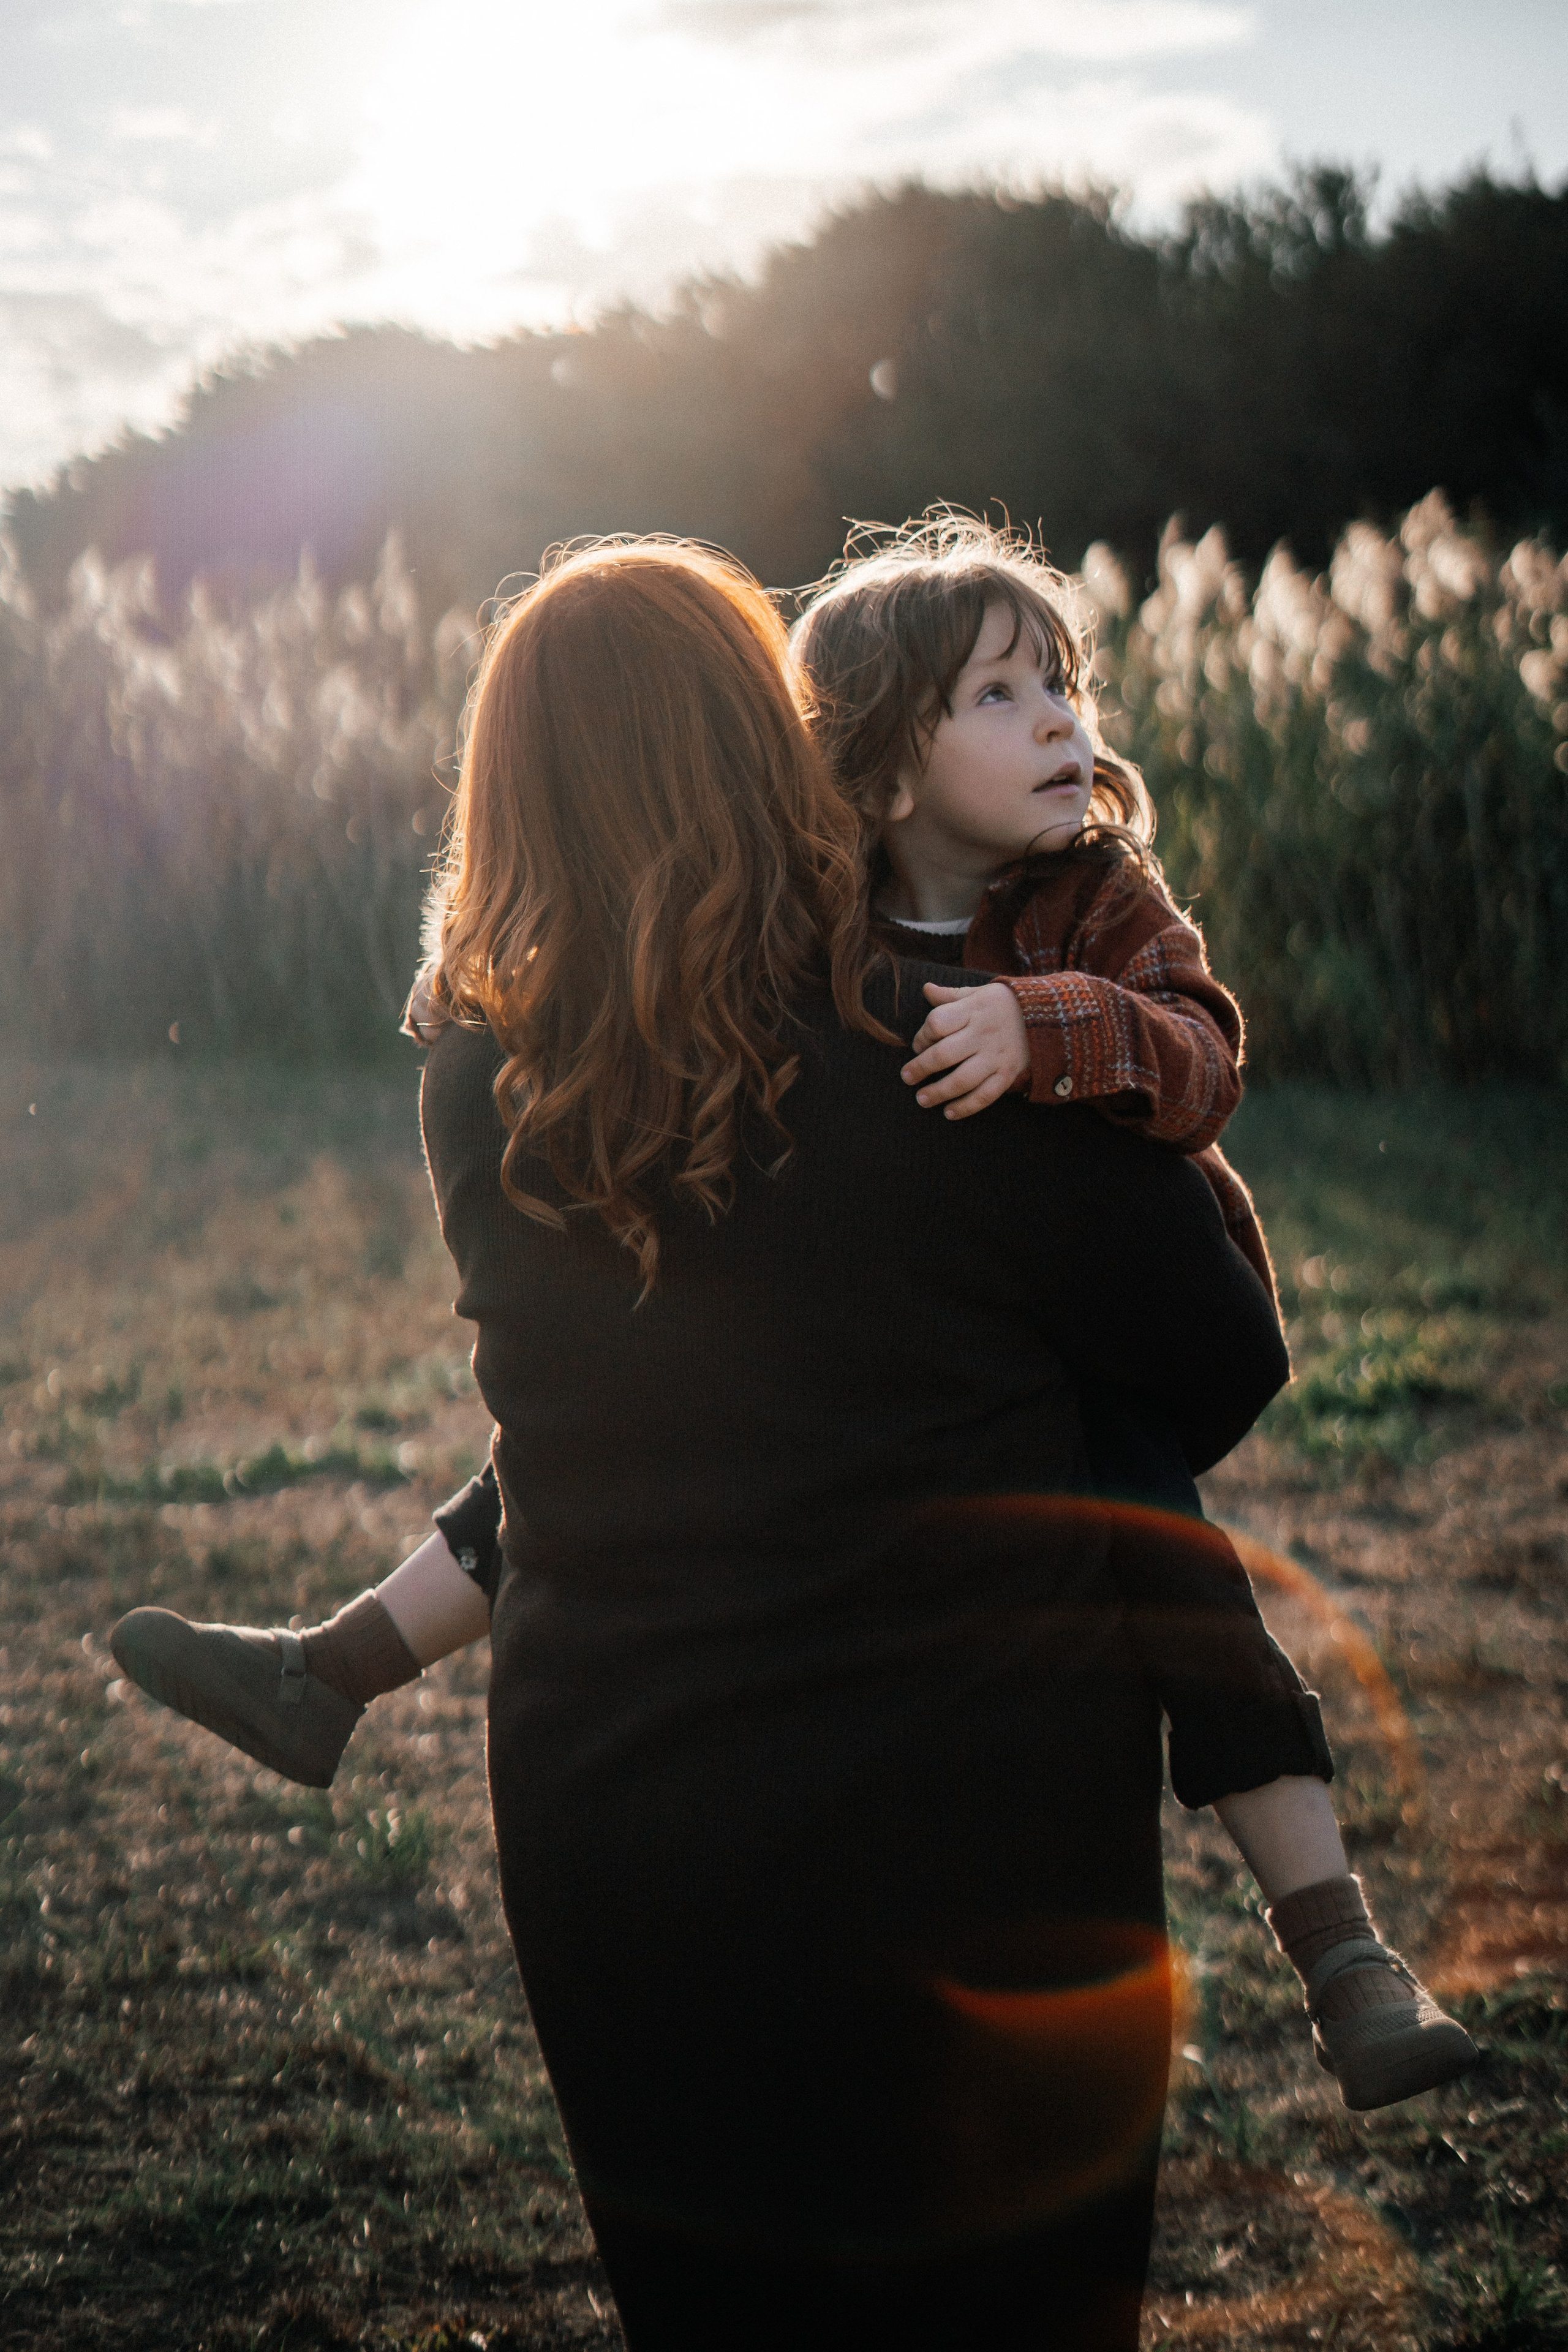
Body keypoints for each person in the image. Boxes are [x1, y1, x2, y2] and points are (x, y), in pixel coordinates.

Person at [113, 520, 1476, 2120]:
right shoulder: (866, 996)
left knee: (1155, 1572)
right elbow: (1218, 1354)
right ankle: (334, 1666)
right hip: (966, 1733)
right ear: (852, 766)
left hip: (673, 1749)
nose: (1059, 724)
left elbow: (1202, 1054)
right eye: (1001, 696)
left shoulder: (1065, 923)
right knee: (597, 1451)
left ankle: (1336, 1941)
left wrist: (1060, 1029)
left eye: (1065, 689)